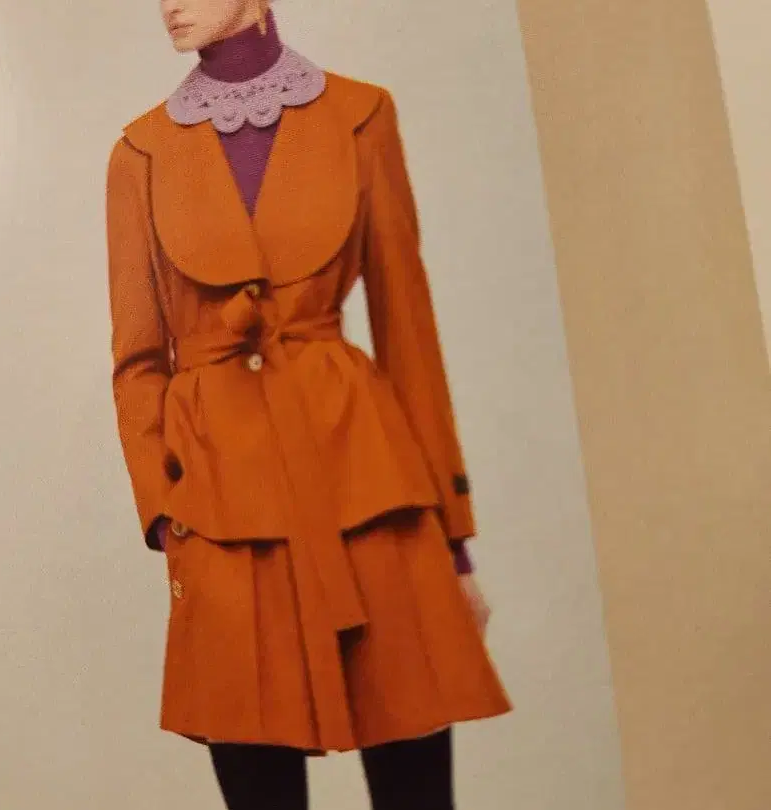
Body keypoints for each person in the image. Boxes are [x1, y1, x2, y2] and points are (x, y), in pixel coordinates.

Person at [105, 1, 512, 807]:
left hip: (367, 486)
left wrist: (454, 541)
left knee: (416, 788)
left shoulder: (362, 116)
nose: (167, 4)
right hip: (222, 509)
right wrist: (168, 518)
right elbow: (138, 361)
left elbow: (408, 333)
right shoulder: (140, 153)